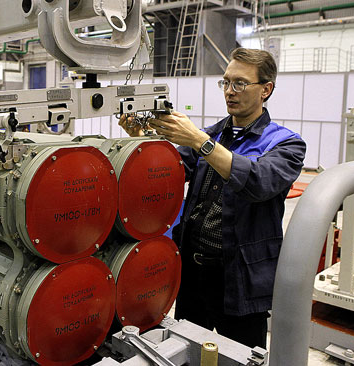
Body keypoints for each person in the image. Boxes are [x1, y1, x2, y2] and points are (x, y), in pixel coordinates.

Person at [119, 48, 306, 348]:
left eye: (240, 84)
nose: (230, 92)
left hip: (240, 278)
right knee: (186, 349)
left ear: (266, 89)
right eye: (226, 83)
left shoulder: (286, 144)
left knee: (242, 354)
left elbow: (257, 182)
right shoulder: (213, 134)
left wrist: (198, 140)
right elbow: (168, 172)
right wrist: (141, 140)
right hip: (193, 274)